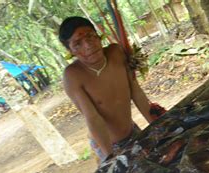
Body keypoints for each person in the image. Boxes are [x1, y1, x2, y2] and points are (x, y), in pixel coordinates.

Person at [59, 16, 165, 163]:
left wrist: (156, 127)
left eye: (90, 36)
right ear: (70, 51)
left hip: (133, 131)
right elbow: (93, 118)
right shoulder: (73, 76)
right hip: (107, 145)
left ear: (98, 36)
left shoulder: (116, 53)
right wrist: (110, 156)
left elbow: (136, 91)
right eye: (78, 44)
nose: (88, 45)